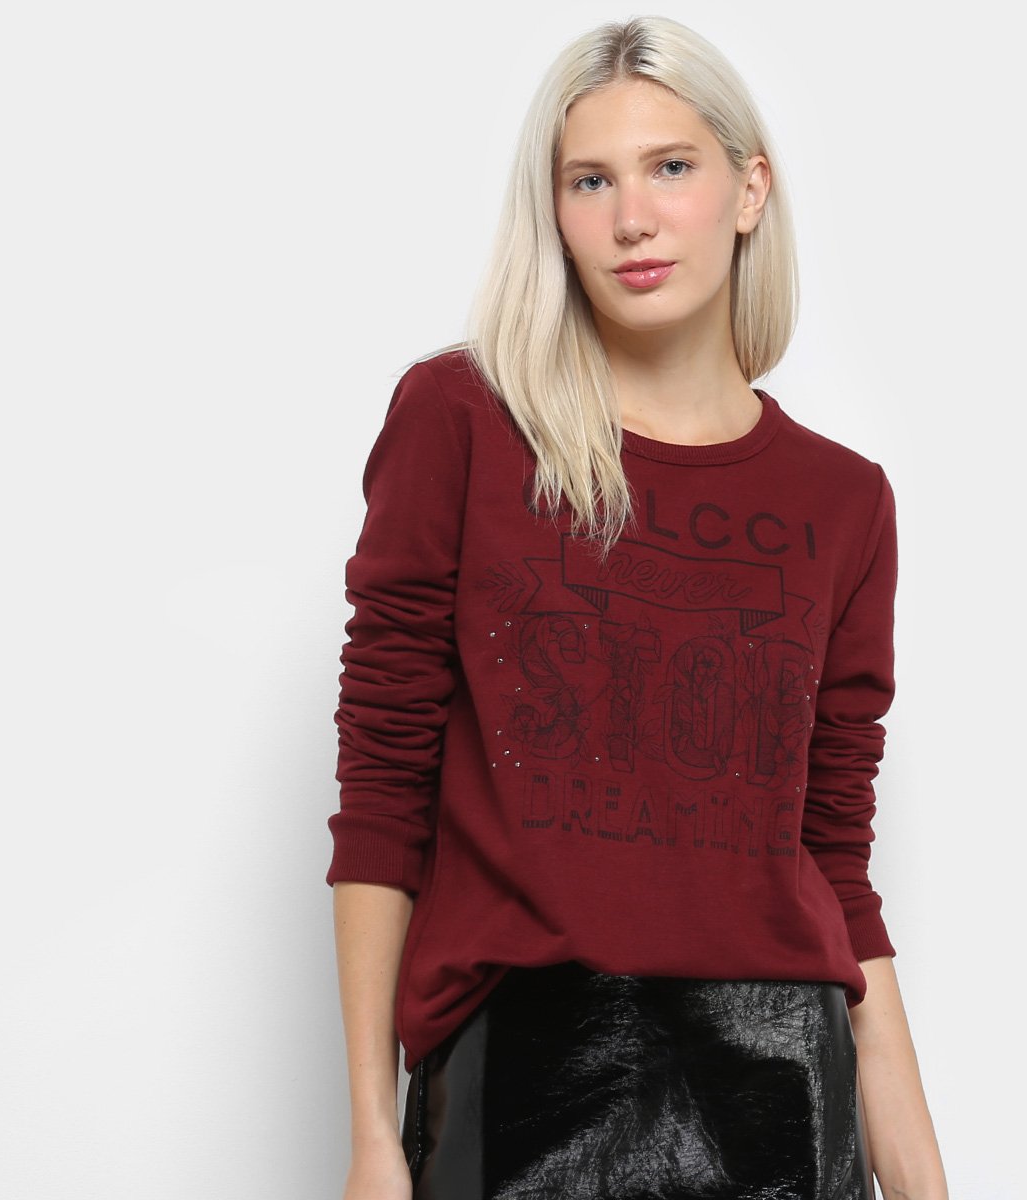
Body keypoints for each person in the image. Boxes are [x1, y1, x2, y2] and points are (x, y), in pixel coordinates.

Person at [325, 15, 948, 1200]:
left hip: (785, 1083)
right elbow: (382, 787)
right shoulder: (464, 422)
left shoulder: (843, 501)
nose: (631, 219)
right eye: (589, 180)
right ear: (554, 212)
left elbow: (834, 858)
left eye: (671, 166)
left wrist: (918, 1169)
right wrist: (370, 1131)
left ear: (749, 190)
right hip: (526, 1074)